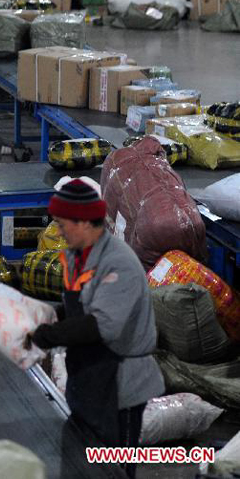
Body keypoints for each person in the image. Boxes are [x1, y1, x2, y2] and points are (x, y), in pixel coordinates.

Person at [29, 179, 165, 478]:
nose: (59, 231)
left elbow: (102, 326)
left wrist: (48, 335)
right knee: (80, 460)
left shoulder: (119, 263)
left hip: (119, 385)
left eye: (64, 224)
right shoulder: (76, 256)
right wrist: (47, 315)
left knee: (112, 468)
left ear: (85, 223)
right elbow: (80, 306)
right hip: (87, 377)